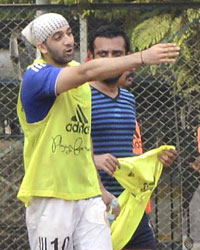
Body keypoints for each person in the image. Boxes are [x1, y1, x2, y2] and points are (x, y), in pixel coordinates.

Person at [17, 13, 180, 250]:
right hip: (51, 194)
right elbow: (87, 73)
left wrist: (101, 190)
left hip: (88, 196)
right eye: (58, 36)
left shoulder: (80, 76)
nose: (68, 40)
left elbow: (83, 136)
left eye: (69, 33)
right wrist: (142, 57)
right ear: (41, 46)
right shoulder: (36, 76)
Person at [88, 24, 177, 250]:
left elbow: (127, 151)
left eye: (116, 54)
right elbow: (62, 149)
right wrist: (94, 160)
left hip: (130, 204)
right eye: (102, 54)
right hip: (93, 205)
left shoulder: (128, 98)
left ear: (127, 57)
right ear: (91, 57)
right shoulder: (79, 96)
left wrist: (152, 160)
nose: (109, 60)